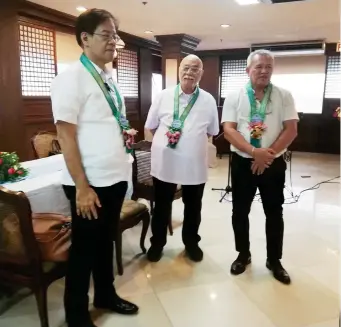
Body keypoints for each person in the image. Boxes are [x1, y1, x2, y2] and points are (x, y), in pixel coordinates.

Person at [50, 9, 138, 327]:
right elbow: (65, 136)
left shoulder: (107, 78)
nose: (114, 41)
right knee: (84, 251)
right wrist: (83, 187)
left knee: (105, 244)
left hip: (114, 177)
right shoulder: (70, 77)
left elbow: (104, 121)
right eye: (107, 34)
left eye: (116, 35)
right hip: (90, 183)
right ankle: (76, 314)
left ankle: (105, 294)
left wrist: (122, 131)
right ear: (85, 39)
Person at [221, 49, 299, 285]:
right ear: (248, 70)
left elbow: (291, 129)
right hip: (243, 163)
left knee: (274, 212)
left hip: (273, 163)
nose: (264, 71)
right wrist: (254, 152)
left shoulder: (284, 95)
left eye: (268, 67)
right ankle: (243, 254)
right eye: (259, 67)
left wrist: (267, 155)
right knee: (239, 211)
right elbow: (229, 130)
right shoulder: (234, 96)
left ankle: (274, 260)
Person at [144, 55, 219, 263]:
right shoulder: (163, 96)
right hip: (165, 163)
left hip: (194, 165)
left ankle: (191, 243)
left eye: (195, 69)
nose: (190, 72)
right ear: (179, 70)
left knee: (193, 207)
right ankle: (157, 244)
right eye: (186, 67)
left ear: (201, 74)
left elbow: (212, 131)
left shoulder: (208, 100)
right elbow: (149, 126)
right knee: (161, 206)